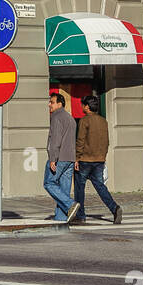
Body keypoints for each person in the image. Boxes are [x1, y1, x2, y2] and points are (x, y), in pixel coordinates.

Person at [73, 95, 122, 225]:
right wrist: (103, 156)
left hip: (85, 159)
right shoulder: (103, 121)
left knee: (79, 188)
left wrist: (77, 158)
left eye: (83, 104)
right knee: (100, 187)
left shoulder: (84, 120)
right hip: (99, 160)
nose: (82, 106)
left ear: (87, 107)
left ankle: (80, 215)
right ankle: (114, 208)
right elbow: (106, 141)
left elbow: (80, 140)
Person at [44, 92, 81, 223]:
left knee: (49, 183)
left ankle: (70, 204)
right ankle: (61, 218)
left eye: (52, 102)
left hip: (59, 157)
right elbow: (72, 140)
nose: (49, 104)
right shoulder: (70, 118)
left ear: (60, 104)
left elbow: (55, 140)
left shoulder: (56, 117)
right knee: (64, 190)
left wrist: (53, 158)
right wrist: (75, 158)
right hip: (70, 158)